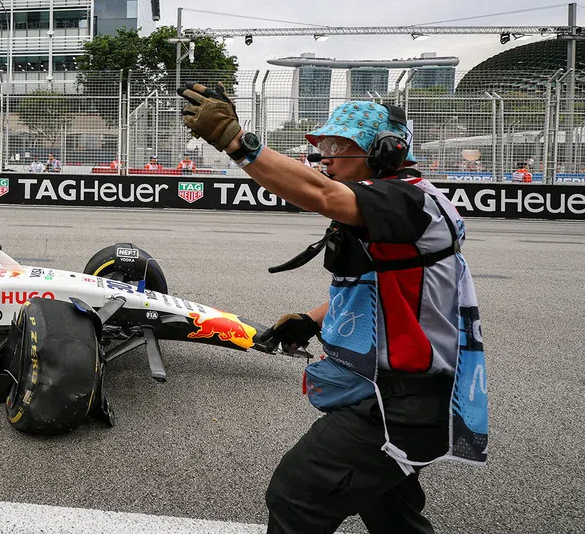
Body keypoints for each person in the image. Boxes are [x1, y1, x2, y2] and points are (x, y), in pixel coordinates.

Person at [179, 85, 488, 534]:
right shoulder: (394, 204)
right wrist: (311, 320)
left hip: (396, 402)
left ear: (387, 151)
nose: (326, 156)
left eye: (339, 146)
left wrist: (235, 140)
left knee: (296, 496)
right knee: (389, 512)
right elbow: (375, 286)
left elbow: (318, 194)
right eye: (323, 146)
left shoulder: (409, 201)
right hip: (398, 393)